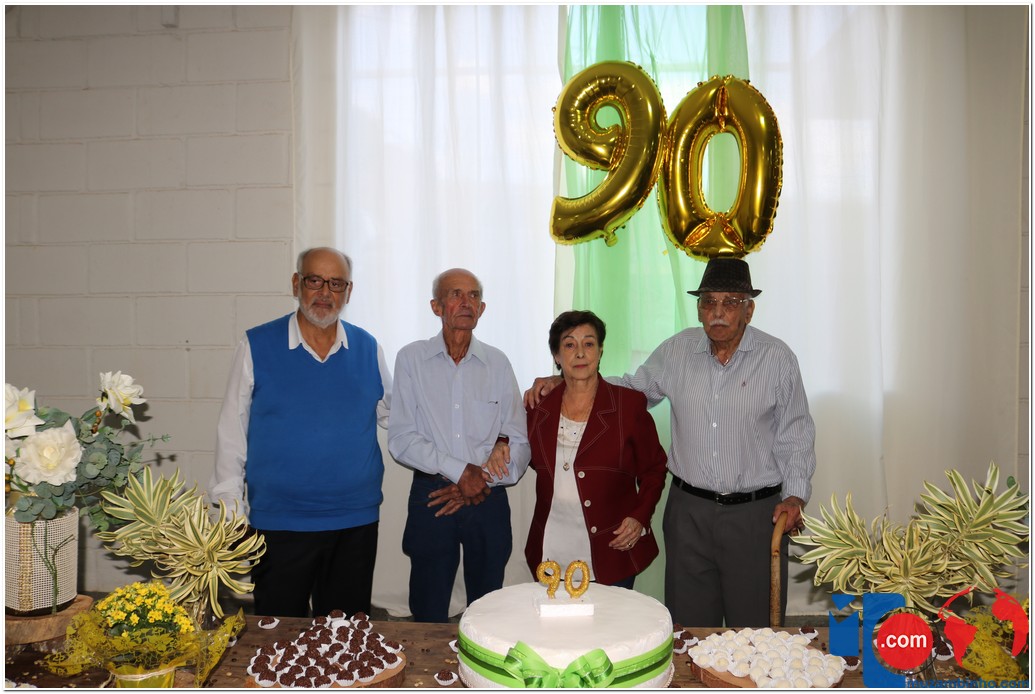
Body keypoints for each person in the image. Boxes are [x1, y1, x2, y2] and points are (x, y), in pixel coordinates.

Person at [525, 258, 816, 627]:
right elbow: (631, 393)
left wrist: (795, 496)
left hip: (754, 514)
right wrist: (570, 382)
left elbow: (796, 433)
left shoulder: (777, 359)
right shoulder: (677, 350)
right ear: (699, 308)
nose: (718, 313)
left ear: (749, 310)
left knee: (754, 626)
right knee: (689, 624)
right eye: (708, 302)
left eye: (730, 302)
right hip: (688, 513)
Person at [211, 247, 392, 618]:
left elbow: (398, 416)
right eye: (314, 281)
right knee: (278, 634)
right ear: (296, 284)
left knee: (344, 636)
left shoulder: (368, 348)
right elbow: (232, 429)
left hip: (354, 522)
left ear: (348, 291)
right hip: (279, 524)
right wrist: (231, 508)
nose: (325, 292)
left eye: (336, 283)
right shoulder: (256, 345)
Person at [387, 268, 530, 623]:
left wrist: (479, 480)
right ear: (436, 306)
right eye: (455, 294)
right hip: (433, 494)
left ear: (482, 309)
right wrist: (461, 473)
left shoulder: (498, 363)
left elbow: (518, 439)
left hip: (488, 495)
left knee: (488, 606)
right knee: (428, 604)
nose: (466, 302)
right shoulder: (411, 359)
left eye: (474, 295)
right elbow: (402, 438)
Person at [524, 310, 668, 589]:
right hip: (551, 548)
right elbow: (522, 452)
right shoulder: (537, 408)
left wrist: (640, 516)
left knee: (609, 619)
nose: (580, 353)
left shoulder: (628, 405)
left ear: (600, 351)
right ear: (556, 356)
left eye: (588, 343)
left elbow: (654, 468)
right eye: (569, 345)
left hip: (612, 548)